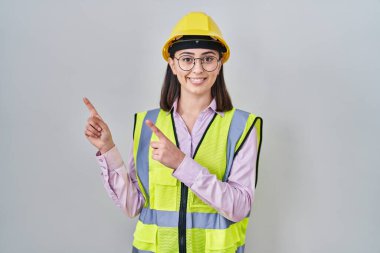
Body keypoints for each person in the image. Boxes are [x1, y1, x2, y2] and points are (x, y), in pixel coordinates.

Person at [83, 11, 263, 253]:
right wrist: (107, 149)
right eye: (187, 59)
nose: (197, 69)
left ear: (219, 64)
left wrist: (181, 164)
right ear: (172, 65)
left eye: (208, 58)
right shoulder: (147, 123)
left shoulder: (242, 126)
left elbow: (239, 207)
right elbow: (132, 206)